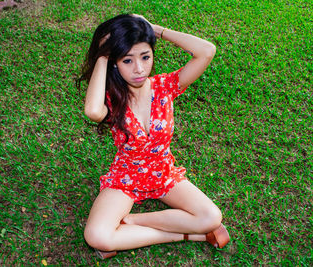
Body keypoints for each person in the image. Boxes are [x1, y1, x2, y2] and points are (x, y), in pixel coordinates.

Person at [79, 14, 230, 259]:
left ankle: (131, 224)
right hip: (125, 178)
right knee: (96, 236)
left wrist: (155, 29)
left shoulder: (166, 86)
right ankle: (189, 235)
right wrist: (103, 54)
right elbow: (92, 111)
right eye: (127, 60)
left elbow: (206, 51)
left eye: (145, 57)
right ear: (115, 63)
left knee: (211, 216)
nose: (139, 68)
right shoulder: (112, 99)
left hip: (164, 173)